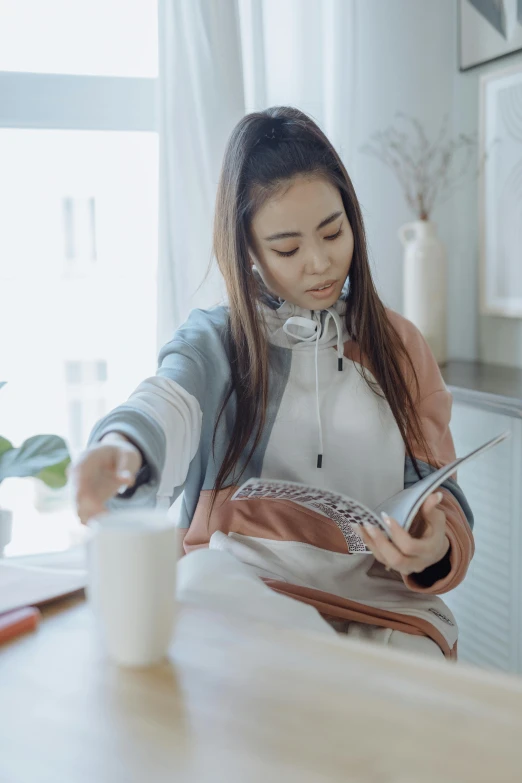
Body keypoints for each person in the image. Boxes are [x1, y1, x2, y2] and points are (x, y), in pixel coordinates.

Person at [73, 106, 474, 659]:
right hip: (246, 594)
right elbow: (169, 398)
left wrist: (431, 544)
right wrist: (121, 444)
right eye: (286, 248)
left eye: (334, 232)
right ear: (249, 253)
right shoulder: (220, 340)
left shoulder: (401, 346)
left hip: (382, 610)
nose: (319, 263)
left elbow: (442, 496)